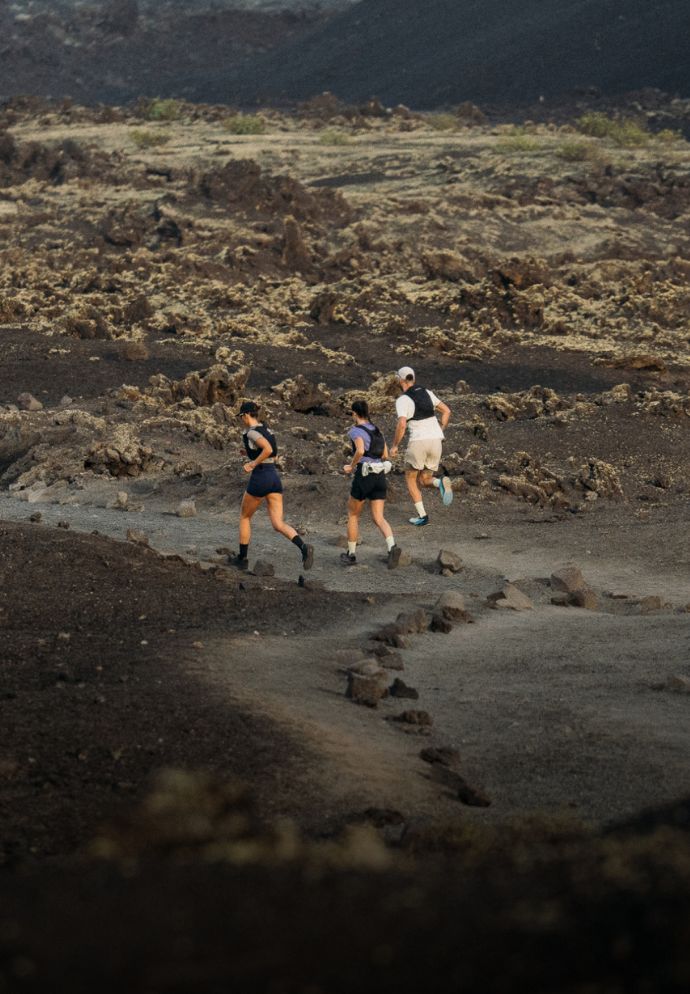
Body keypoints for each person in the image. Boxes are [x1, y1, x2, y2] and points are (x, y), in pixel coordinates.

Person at [229, 401, 314, 571]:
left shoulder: (252, 432)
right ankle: (304, 547)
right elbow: (272, 454)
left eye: (241, 417)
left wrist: (252, 464)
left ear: (246, 415)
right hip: (274, 477)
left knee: (245, 517)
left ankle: (242, 559)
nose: (241, 420)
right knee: (278, 523)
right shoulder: (267, 429)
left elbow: (266, 449)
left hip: (260, 477)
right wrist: (251, 453)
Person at [341, 399, 402, 569]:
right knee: (379, 517)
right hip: (380, 476)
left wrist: (351, 466)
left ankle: (351, 555)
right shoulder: (377, 429)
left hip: (364, 474)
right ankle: (392, 548)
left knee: (353, 514)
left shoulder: (355, 431)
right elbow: (384, 454)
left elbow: (360, 450)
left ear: (354, 414)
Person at [389, 366, 452, 526]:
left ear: (399, 380)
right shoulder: (427, 393)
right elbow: (446, 411)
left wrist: (395, 445)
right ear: (413, 379)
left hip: (418, 442)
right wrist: (441, 428)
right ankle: (440, 483)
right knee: (425, 479)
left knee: (410, 478)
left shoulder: (402, 400)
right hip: (436, 440)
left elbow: (402, 424)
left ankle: (422, 516)